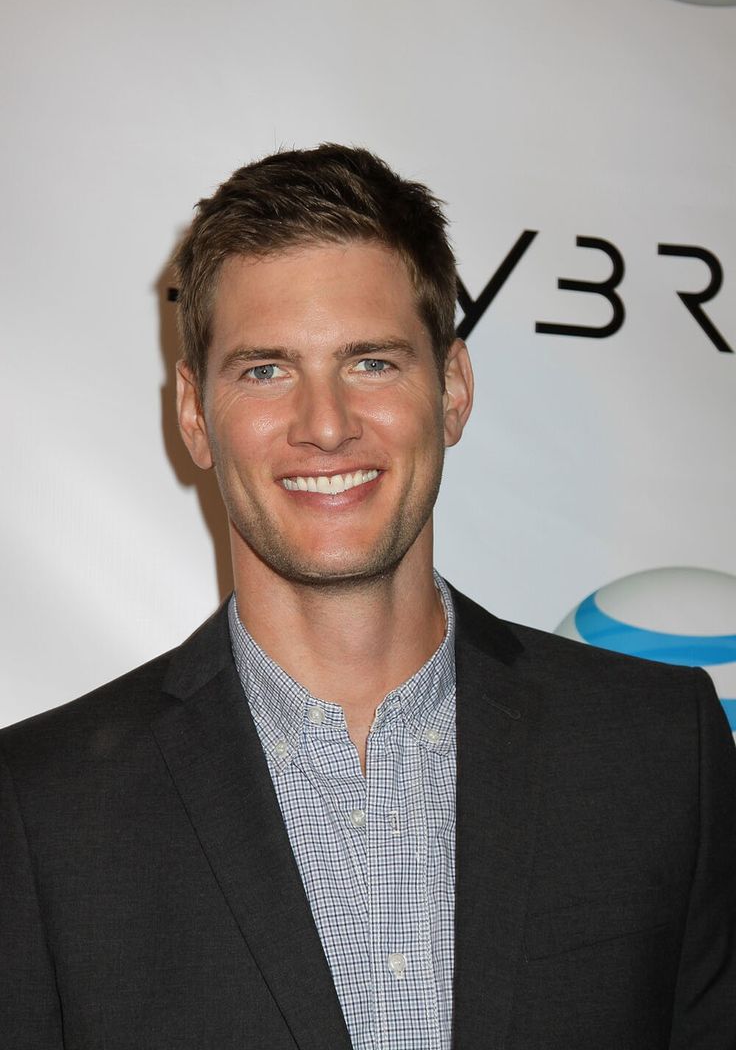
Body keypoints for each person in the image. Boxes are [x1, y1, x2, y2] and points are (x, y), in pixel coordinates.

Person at [1, 144, 734, 1050]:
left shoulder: (660, 751)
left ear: (453, 388)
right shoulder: (41, 811)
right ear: (194, 414)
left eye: (372, 363)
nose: (326, 425)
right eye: (266, 370)